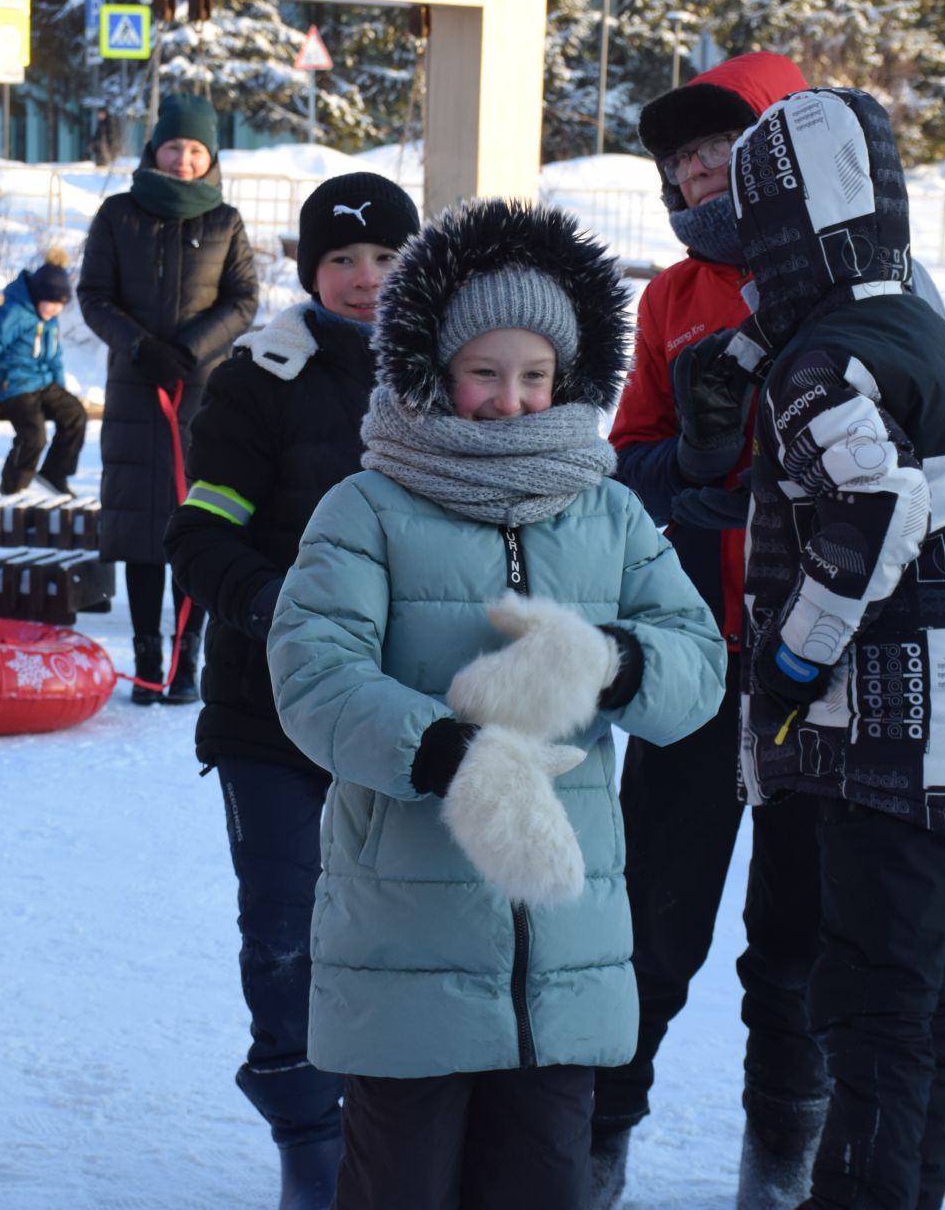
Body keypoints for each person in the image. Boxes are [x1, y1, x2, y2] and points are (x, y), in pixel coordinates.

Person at [268, 197, 727, 1209]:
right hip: (406, 944)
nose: (511, 400)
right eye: (485, 372)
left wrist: (612, 660)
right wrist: (441, 749)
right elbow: (312, 674)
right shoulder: (370, 507)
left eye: (535, 376)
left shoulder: (608, 510)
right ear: (435, 367)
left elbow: (698, 663)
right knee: (404, 1187)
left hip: (565, 954)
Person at [694, 87, 945, 1210]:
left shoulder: (827, 360)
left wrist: (790, 663)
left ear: (787, 229)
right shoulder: (931, 335)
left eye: (755, 235)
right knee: (921, 1008)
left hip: (874, 738)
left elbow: (874, 507)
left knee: (870, 1020)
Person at [594, 49, 832, 1210]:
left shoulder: (856, 280)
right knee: (649, 921)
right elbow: (622, 467)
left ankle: (781, 1164)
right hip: (697, 655)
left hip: (822, 669)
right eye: (678, 158)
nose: (694, 171)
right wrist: (683, 465)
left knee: (798, 940)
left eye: (718, 147)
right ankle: (597, 1143)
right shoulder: (668, 299)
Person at [164, 173, 420, 1210]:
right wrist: (282, 609)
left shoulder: (458, 370)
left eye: (385, 259)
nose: (364, 281)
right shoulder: (261, 377)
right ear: (311, 270)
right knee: (285, 922)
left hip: (403, 713)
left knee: (406, 925)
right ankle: (307, 1130)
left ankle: (395, 1127)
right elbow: (200, 532)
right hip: (268, 710)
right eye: (341, 262)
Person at [78, 93, 259, 706]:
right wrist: (141, 348)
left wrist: (192, 345)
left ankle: (187, 666)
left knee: (197, 522)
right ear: (155, 148)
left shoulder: (225, 222)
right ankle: (148, 662)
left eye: (196, 149)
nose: (184, 158)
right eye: (174, 145)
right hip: (137, 389)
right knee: (139, 530)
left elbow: (243, 301)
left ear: (210, 158)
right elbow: (94, 295)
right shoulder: (117, 214)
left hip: (202, 391)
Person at [0, 248, 85, 495]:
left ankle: (55, 473)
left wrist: (60, 388)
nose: (55, 309)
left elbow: (54, 358)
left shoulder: (49, 320)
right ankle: (13, 489)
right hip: (12, 386)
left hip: (41, 384)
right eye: (51, 302)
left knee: (75, 415)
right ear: (36, 295)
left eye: (60, 304)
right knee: (34, 436)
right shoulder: (14, 314)